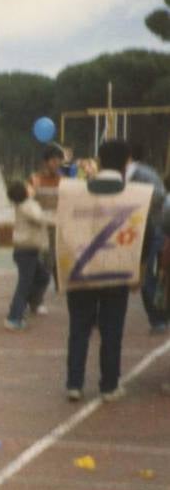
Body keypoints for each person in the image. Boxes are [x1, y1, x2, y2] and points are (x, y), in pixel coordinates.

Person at [63, 140, 141, 402]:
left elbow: (62, 232)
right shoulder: (136, 195)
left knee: (79, 328)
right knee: (112, 330)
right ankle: (109, 385)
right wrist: (136, 272)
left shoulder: (74, 193)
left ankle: (74, 383)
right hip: (117, 271)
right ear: (127, 160)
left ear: (98, 159)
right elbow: (145, 233)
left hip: (80, 268)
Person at [128, 141, 168, 334]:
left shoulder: (141, 174)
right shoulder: (145, 173)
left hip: (151, 231)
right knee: (148, 277)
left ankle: (159, 318)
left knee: (149, 277)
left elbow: (159, 198)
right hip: (143, 231)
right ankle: (159, 317)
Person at [4, 180, 53, 332]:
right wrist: (57, 219)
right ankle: (14, 317)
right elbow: (40, 218)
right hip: (27, 250)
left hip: (26, 250)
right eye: (28, 187)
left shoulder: (23, 205)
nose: (31, 188)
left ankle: (24, 304)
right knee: (24, 284)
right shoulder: (28, 205)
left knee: (42, 276)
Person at [27, 143, 65, 316]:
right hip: (36, 228)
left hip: (53, 229)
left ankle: (37, 300)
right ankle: (31, 298)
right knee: (34, 265)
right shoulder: (34, 179)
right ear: (46, 161)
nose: (57, 164)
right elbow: (26, 202)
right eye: (54, 160)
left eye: (59, 161)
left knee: (47, 266)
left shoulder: (63, 181)